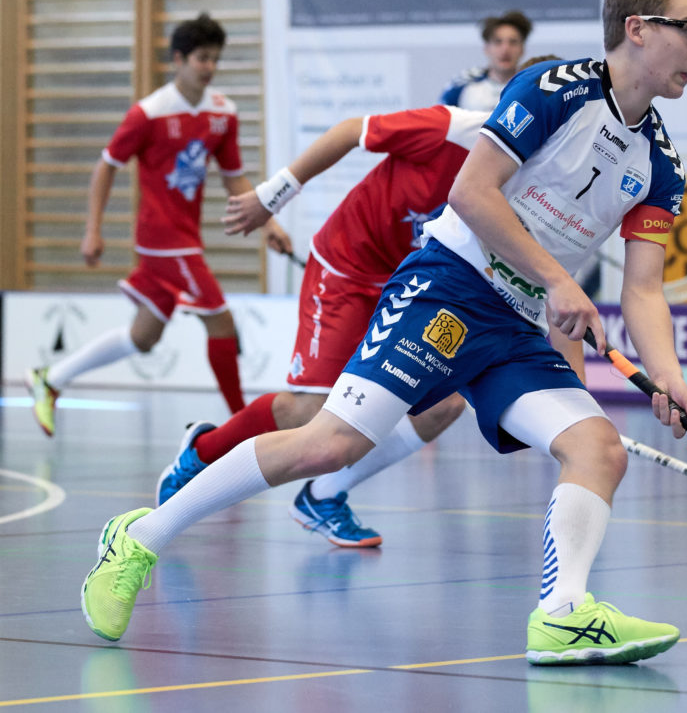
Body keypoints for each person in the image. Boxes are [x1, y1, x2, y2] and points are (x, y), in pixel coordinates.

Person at [81, 0, 687, 667]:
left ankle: (563, 610)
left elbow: (642, 289)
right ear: (637, 28)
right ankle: (139, 537)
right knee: (328, 443)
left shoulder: (661, 162)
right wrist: (558, 282)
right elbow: (472, 194)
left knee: (596, 447)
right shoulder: (551, 88)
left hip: (512, 327)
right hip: (445, 288)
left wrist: (669, 376)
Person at [157, 56, 565, 548]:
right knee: (308, 410)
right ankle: (202, 453)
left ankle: (324, 496)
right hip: (347, 268)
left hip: (419, 283)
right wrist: (271, 196)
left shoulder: (541, 182)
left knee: (443, 406)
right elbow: (351, 131)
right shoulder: (451, 130)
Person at [25, 13, 291, 436]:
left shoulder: (224, 113)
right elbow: (106, 166)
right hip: (161, 240)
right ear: (178, 59)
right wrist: (93, 229)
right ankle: (244, 426)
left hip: (186, 238)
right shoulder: (148, 114)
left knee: (143, 337)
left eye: (215, 60)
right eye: (202, 58)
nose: (209, 68)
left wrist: (267, 221)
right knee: (220, 321)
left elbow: (233, 175)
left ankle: (51, 378)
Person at [438, 10, 532, 111]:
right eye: (498, 42)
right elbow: (440, 120)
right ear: (486, 48)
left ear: (522, 49)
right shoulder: (462, 83)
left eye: (513, 42)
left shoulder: (532, 87)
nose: (505, 49)